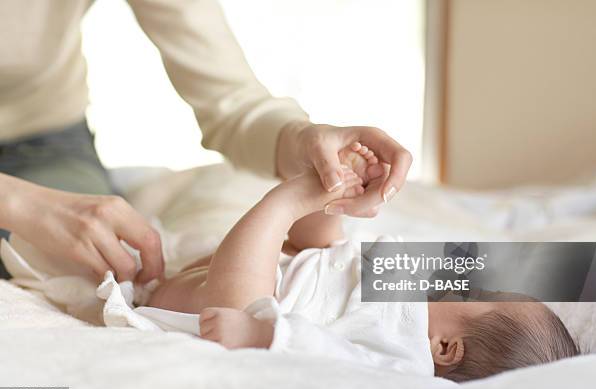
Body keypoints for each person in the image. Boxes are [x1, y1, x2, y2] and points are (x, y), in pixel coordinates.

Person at [0, 0, 412, 281]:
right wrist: (16, 203)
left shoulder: (428, 281)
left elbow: (229, 100)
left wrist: (302, 139)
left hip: (37, 134)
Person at [146, 144, 579, 381]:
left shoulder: (405, 362)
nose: (464, 281)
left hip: (243, 304)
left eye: (478, 294)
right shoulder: (410, 285)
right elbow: (337, 256)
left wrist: (264, 332)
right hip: (300, 270)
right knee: (326, 235)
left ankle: (288, 201)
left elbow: (334, 356)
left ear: (445, 348)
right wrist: (341, 205)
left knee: (247, 297)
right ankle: (333, 188)